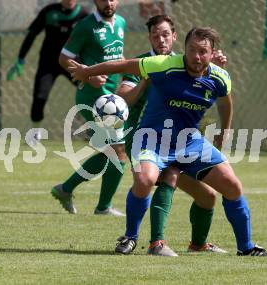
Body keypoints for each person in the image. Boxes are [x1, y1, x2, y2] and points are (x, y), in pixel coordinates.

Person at [68, 27, 267, 257]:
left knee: (232, 185)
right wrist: (88, 71)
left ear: (212, 52)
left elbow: (225, 103)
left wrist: (224, 132)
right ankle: (130, 237)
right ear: (184, 48)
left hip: (190, 142)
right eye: (192, 50)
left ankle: (246, 248)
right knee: (145, 180)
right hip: (152, 138)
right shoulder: (164, 64)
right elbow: (123, 65)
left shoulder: (220, 77)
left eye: (203, 51)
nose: (196, 56)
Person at [116, 15, 227, 255]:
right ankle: (142, 240)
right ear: (149, 38)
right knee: (166, 176)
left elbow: (211, 88)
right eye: (155, 35)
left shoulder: (185, 64)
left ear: (175, 37)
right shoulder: (145, 63)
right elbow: (125, 99)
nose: (160, 39)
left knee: (207, 196)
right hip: (144, 138)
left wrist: (214, 67)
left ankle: (198, 245)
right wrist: (145, 81)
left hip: (179, 142)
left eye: (165, 34)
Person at [52, 0, 126, 216]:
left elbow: (117, 56)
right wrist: (87, 73)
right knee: (118, 151)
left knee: (111, 151)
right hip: (93, 99)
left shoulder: (121, 22)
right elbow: (64, 57)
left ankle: (65, 189)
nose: (109, 3)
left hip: (112, 99)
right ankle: (103, 207)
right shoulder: (86, 26)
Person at [6, 0, 89, 143]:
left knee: (90, 92)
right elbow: (32, 34)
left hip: (73, 64)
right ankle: (35, 132)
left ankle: (89, 127)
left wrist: (91, 65)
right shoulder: (49, 12)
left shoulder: (84, 15)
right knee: (39, 97)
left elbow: (92, 40)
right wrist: (20, 59)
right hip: (48, 64)